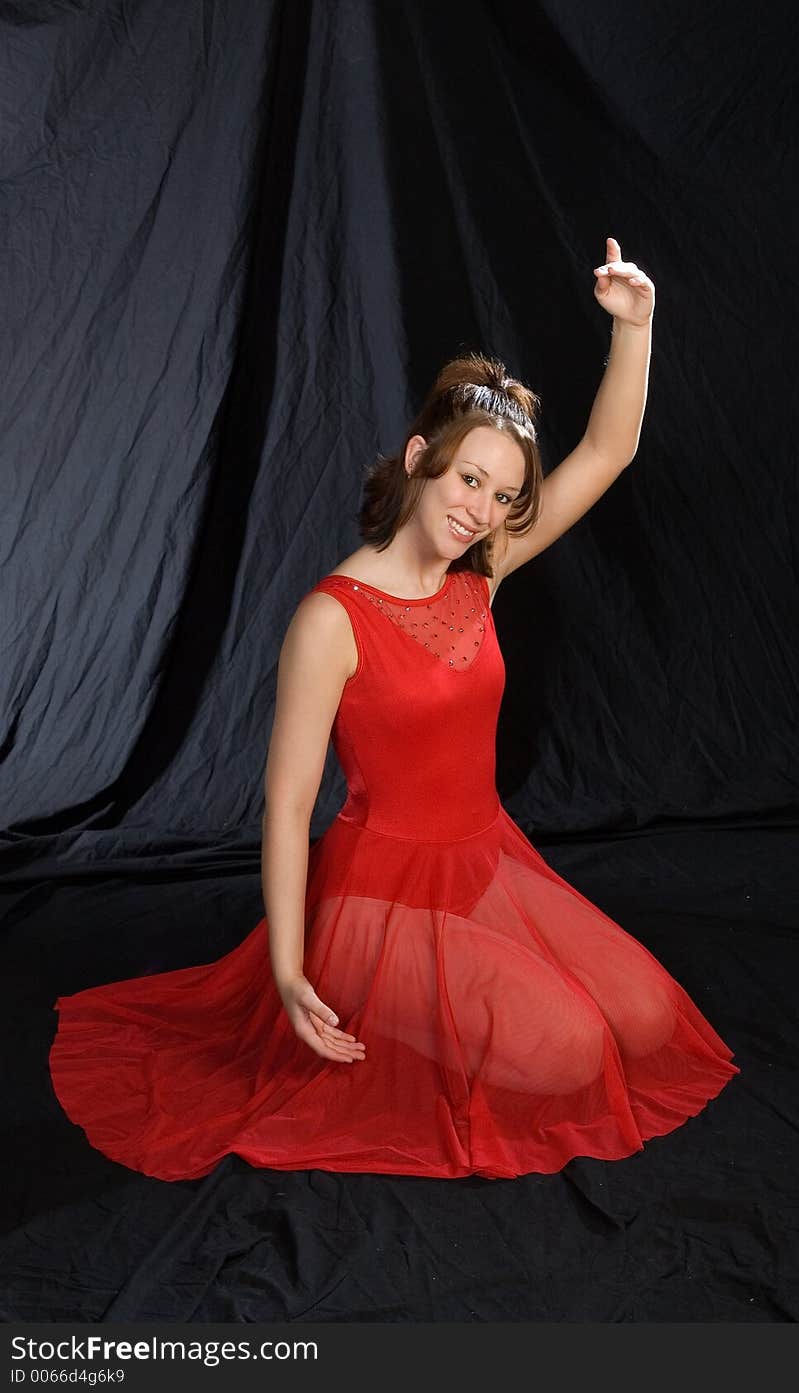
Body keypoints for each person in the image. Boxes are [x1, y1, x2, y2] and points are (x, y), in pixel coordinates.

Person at [49, 237, 739, 1181]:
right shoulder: (331, 620)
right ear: (421, 458)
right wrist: (290, 971)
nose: (481, 510)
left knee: (651, 1018)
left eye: (502, 497)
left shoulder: (481, 573)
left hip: (482, 862)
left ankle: (457, 994)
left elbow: (610, 450)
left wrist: (638, 326)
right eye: (467, 480)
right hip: (377, 899)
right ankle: (408, 1006)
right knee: (574, 1054)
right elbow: (289, 808)